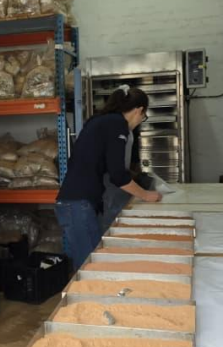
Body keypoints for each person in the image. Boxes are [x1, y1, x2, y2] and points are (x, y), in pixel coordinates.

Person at [55, 86, 162, 270]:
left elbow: (109, 167)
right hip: (77, 205)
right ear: (139, 110)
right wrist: (145, 195)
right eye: (142, 117)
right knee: (90, 268)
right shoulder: (116, 124)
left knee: (92, 264)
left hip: (76, 204)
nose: (139, 121)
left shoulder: (101, 121)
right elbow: (118, 175)